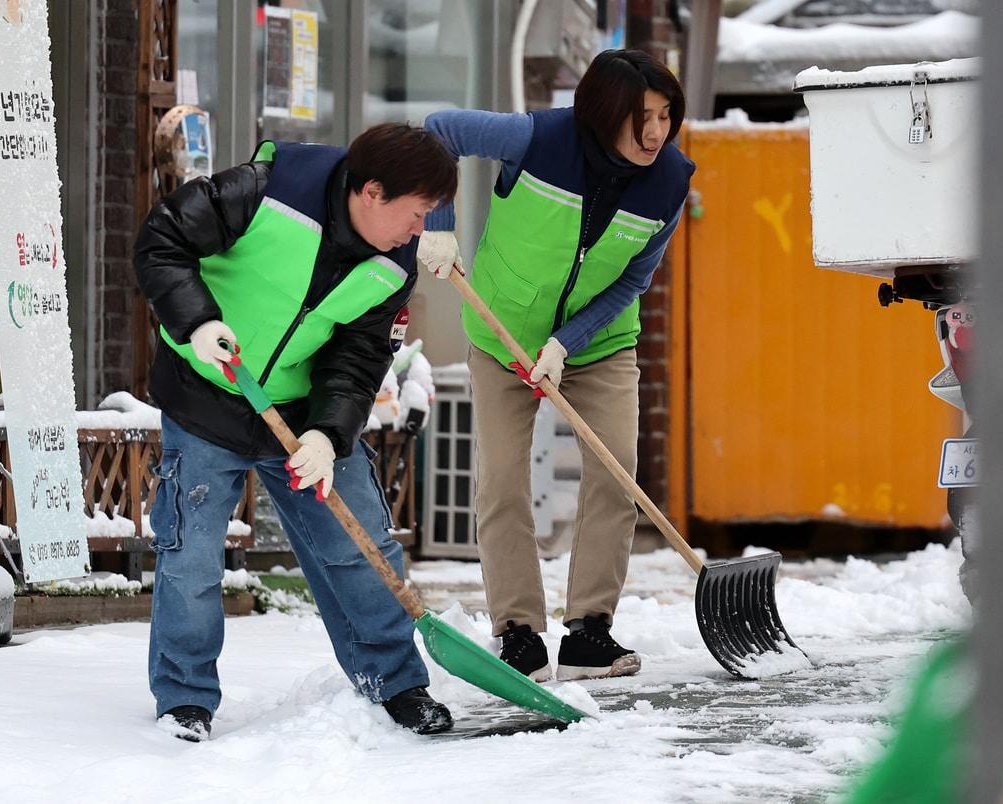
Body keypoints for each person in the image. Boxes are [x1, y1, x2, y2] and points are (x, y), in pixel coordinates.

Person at [133, 123, 458, 741]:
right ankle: (184, 700)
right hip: (207, 395)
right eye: (417, 213)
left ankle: (396, 684)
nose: (421, 230)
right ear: (372, 192)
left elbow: (361, 356)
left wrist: (328, 435)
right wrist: (197, 321)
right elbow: (162, 239)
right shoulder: (265, 192)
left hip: (301, 413)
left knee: (358, 544)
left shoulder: (394, 263)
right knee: (192, 556)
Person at [420, 50, 693, 681]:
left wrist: (567, 342)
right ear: (603, 112)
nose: (656, 131)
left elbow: (632, 281)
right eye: (642, 116)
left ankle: (590, 632)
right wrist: (439, 224)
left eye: (665, 115)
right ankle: (518, 632)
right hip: (502, 335)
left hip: (598, 344)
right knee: (502, 482)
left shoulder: (669, 181)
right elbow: (439, 131)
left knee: (616, 474)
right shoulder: (537, 140)